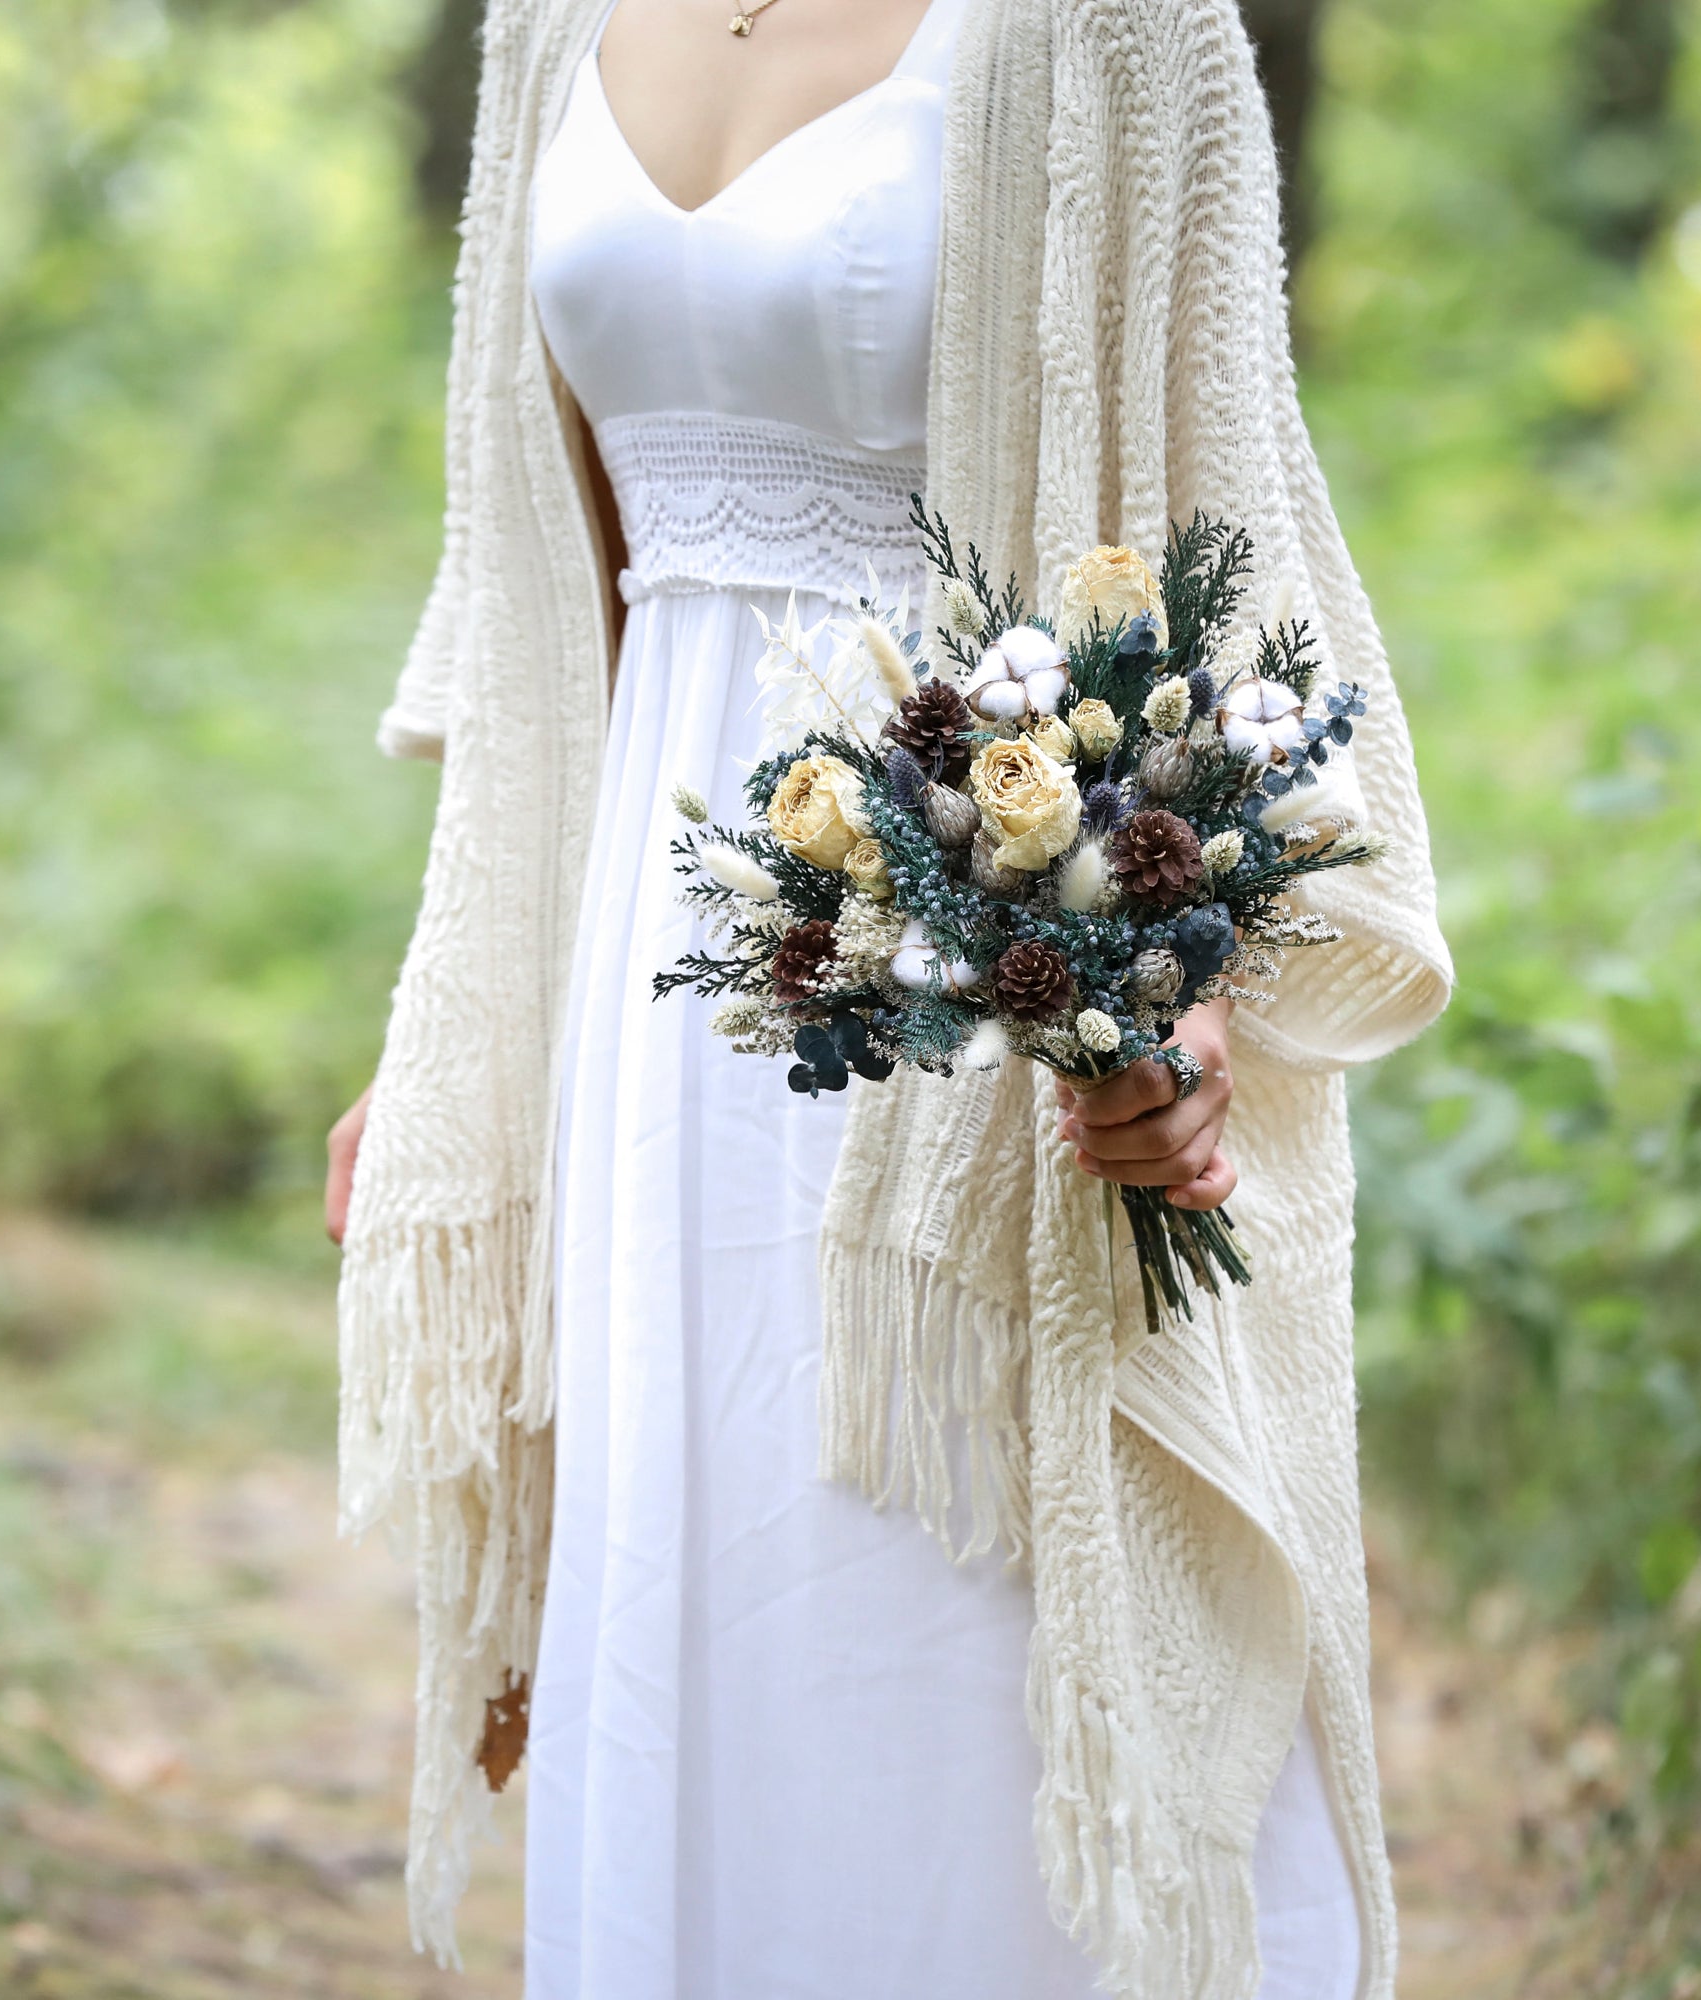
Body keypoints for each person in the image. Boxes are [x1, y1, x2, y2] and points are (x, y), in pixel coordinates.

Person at [326, 0, 1452, 1992]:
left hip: (961, 1000)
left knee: (942, 1641)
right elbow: (545, 604)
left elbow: (1215, 521)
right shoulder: (546, 26)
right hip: (642, 1003)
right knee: (694, 1622)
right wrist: (458, 1026)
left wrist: (1175, 976)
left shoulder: (1119, 33)